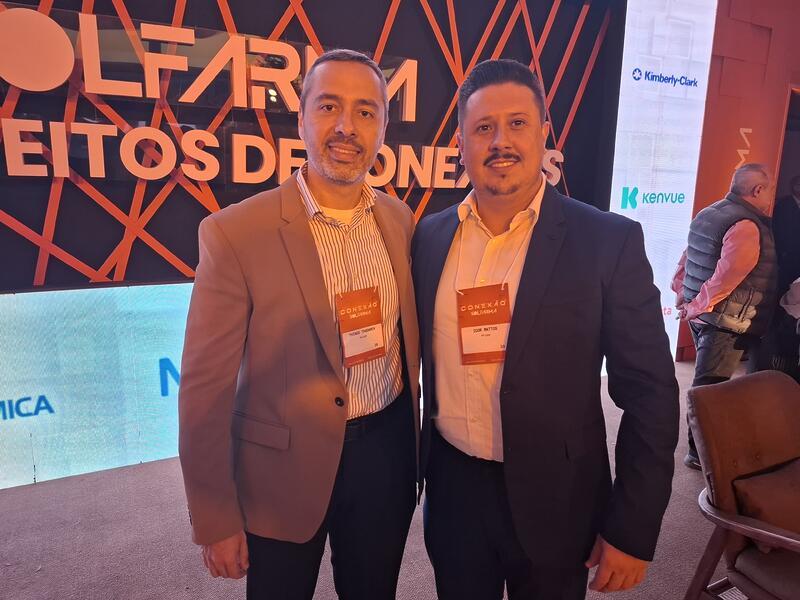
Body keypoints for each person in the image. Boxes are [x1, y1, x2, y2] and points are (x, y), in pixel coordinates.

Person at [411, 59, 679, 600]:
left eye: (517, 123)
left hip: (559, 498)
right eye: (483, 128)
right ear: (461, 143)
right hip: (454, 492)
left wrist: (632, 527)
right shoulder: (429, 238)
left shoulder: (608, 242)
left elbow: (650, 395)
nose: (500, 142)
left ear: (543, 134)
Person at [178, 49, 420, 600]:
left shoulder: (400, 220)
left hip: (384, 456)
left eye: (365, 111)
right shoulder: (235, 233)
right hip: (280, 469)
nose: (346, 126)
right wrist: (214, 515)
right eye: (329, 106)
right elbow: (204, 388)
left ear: (383, 127)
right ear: (302, 118)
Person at [672, 163, 778, 469]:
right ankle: (700, 454)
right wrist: (696, 306)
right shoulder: (746, 225)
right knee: (711, 388)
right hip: (724, 321)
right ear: (757, 190)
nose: (770, 197)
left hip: (706, 316)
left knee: (708, 384)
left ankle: (703, 448)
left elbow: (688, 257)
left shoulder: (709, 212)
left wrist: (683, 294)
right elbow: (726, 278)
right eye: (769, 190)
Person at [752, 174, 800, 379]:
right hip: (782, 269)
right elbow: (781, 238)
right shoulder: (783, 207)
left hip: (795, 272)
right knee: (776, 318)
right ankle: (764, 367)